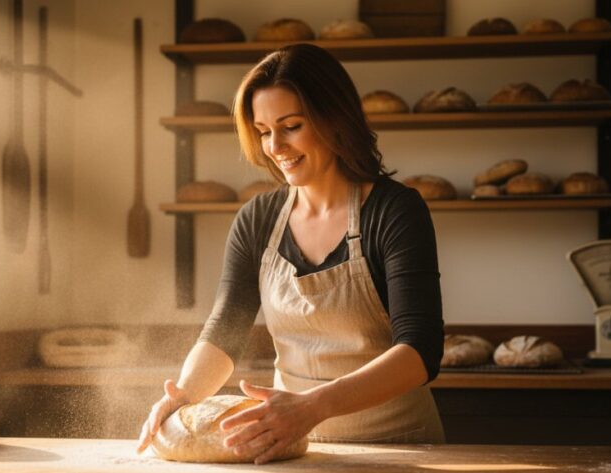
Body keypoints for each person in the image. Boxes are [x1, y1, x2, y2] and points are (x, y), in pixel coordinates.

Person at [137, 43, 444, 464]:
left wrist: (313, 406)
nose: (275, 145)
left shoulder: (395, 211)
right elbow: (226, 328)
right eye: (264, 131)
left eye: (292, 126)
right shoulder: (258, 219)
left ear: (335, 118)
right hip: (291, 448)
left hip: (400, 446)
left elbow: (420, 352)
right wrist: (184, 395)